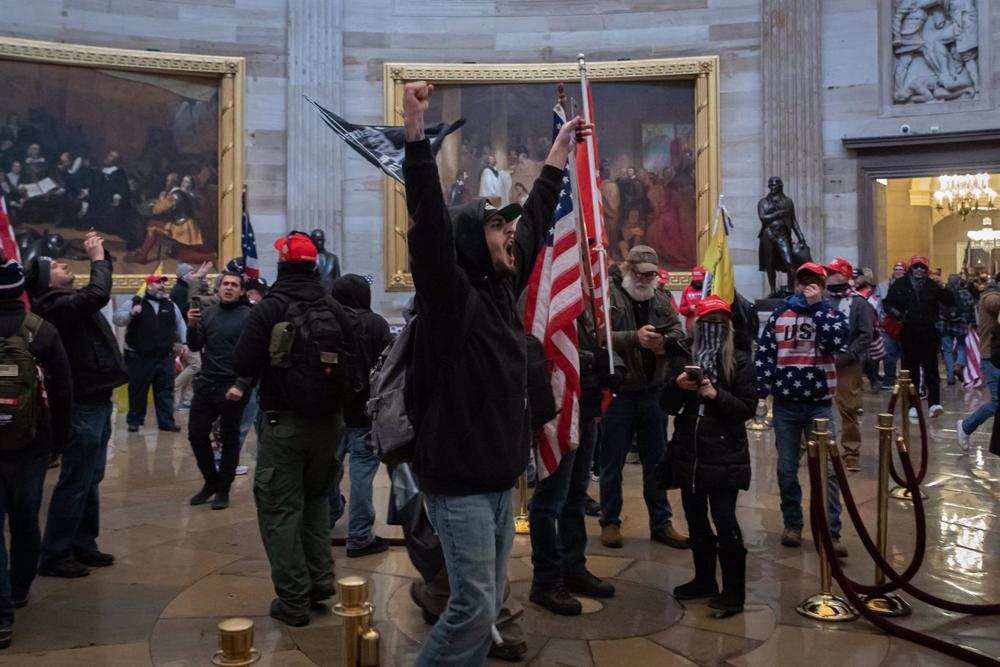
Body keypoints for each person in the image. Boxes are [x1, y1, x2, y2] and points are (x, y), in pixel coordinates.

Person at [402, 80, 583, 666]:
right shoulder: (451, 299)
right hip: (458, 483)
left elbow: (531, 223)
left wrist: (557, 155)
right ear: (470, 243)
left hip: (498, 480)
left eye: (508, 227)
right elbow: (429, 226)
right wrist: (415, 136)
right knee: (474, 606)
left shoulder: (502, 287)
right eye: (495, 227)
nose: (510, 235)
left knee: (483, 609)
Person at [232, 232, 348, 627]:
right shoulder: (334, 305)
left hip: (285, 426)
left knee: (281, 511)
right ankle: (320, 586)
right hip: (331, 426)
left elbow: (242, 362)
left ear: (281, 264)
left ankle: (294, 601)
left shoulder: (269, 309)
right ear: (314, 265)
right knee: (316, 504)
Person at [26, 233, 127, 579]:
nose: (63, 264)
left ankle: (83, 542)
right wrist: (97, 257)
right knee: (76, 479)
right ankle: (55, 553)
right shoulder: (52, 306)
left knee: (91, 476)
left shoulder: (66, 299)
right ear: (44, 281)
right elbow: (98, 294)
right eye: (54, 265)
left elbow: (93, 296)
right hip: (81, 403)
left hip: (96, 397)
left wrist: (104, 257)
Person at [659, 296, 755, 616]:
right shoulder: (686, 357)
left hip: (726, 453)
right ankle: (704, 579)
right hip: (690, 452)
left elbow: (746, 409)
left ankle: (734, 591)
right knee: (696, 521)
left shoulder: (740, 360)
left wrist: (716, 396)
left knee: (725, 521)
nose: (714, 327)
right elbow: (667, 405)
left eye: (720, 322)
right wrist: (678, 385)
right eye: (707, 321)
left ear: (728, 327)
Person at [0, 256, 72, 648]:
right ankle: (20, 587)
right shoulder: (41, 331)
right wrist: (59, 444)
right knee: (26, 520)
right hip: (31, 444)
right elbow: (62, 393)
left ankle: (1, 620)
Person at [528, 302, 616, 616]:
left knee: (577, 496)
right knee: (550, 500)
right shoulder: (547, 290)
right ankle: (546, 580)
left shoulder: (586, 298)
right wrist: (590, 361)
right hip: (560, 409)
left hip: (587, 405)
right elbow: (542, 346)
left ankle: (573, 567)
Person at [599, 245, 688, 550]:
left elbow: (679, 333)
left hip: (653, 392)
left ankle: (661, 523)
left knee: (656, 460)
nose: (645, 279)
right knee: (611, 462)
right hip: (619, 393)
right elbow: (600, 336)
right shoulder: (609, 295)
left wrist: (664, 342)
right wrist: (633, 339)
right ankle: (610, 521)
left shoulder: (660, 296)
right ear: (627, 269)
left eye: (651, 275)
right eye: (640, 274)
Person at [756, 263, 848, 556]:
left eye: (815, 281)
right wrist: (761, 395)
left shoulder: (831, 314)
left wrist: (818, 307)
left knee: (828, 471)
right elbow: (765, 356)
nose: (809, 285)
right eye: (804, 280)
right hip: (786, 404)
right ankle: (792, 524)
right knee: (786, 469)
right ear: (796, 283)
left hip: (819, 403)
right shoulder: (780, 315)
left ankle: (830, 532)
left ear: (822, 284)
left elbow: (835, 342)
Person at [327, 274, 392, 557]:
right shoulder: (377, 324)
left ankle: (328, 517)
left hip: (332, 414)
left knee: (327, 472)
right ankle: (359, 538)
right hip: (366, 414)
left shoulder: (328, 323)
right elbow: (390, 368)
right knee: (362, 479)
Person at [185, 271, 252, 511]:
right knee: (195, 433)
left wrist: (241, 385)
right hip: (207, 382)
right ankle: (211, 481)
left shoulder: (248, 316)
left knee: (229, 437)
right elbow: (194, 345)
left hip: (232, 384)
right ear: (218, 288)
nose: (229, 288)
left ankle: (223, 488)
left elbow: (254, 355)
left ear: (242, 291)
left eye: (235, 285)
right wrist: (192, 325)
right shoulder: (209, 313)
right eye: (225, 284)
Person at [883, 256, 955, 418]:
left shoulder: (932, 285)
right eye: (916, 267)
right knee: (910, 369)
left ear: (926, 269)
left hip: (929, 330)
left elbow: (950, 301)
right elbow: (887, 303)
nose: (919, 270)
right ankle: (912, 405)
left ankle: (934, 403)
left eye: (922, 267)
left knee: (931, 368)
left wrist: (941, 285)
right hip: (908, 330)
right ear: (911, 268)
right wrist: (897, 314)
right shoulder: (900, 284)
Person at [113, 274, 186, 432]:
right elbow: (117, 319)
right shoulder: (135, 302)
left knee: (165, 392)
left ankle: (167, 422)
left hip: (164, 356)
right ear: (149, 286)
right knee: (138, 390)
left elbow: (180, 324)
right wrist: (132, 313)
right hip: (139, 357)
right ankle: (134, 421)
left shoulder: (170, 304)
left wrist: (185, 342)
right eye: (157, 283)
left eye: (162, 283)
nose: (161, 286)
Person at [824, 258, 873, 472]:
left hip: (848, 363)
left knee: (849, 408)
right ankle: (810, 447)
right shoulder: (822, 301)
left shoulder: (859, 303)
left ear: (844, 275)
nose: (828, 276)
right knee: (813, 406)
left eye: (833, 273)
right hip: (822, 360)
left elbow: (865, 334)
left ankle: (851, 452)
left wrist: (847, 354)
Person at [958, 284, 1000, 451]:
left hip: (994, 357)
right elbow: (993, 303)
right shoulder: (990, 296)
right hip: (992, 358)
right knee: (996, 403)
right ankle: (967, 426)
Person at [937, 274, 976, 386]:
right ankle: (959, 365)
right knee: (962, 347)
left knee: (947, 351)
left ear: (948, 281)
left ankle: (950, 377)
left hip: (944, 325)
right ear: (959, 282)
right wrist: (972, 323)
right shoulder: (966, 293)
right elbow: (971, 309)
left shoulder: (942, 293)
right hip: (961, 325)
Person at [877, 262, 907, 389]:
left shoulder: (910, 286)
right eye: (896, 269)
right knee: (889, 353)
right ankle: (889, 379)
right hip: (888, 324)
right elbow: (879, 304)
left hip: (906, 324)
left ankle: (906, 379)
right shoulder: (883, 286)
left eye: (901, 269)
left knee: (907, 353)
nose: (898, 271)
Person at [677, 266, 706, 333]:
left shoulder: (708, 290)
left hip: (705, 323)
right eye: (696, 280)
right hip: (691, 325)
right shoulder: (687, 290)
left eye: (699, 280)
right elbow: (681, 309)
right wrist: (689, 309)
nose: (697, 282)